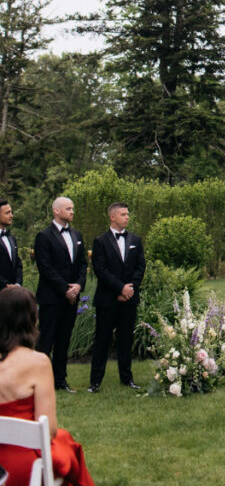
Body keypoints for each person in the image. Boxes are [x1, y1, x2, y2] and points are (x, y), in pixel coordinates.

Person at [0, 287, 95, 486]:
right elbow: (49, 429)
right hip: (22, 466)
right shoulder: (38, 363)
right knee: (67, 446)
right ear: (31, 319)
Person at [89, 201, 146, 393]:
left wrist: (131, 288)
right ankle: (95, 381)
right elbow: (101, 270)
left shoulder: (136, 241)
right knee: (102, 340)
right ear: (112, 217)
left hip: (129, 298)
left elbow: (140, 267)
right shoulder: (100, 241)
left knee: (125, 340)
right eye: (123, 214)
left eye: (128, 214)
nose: (127, 217)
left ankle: (127, 378)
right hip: (107, 298)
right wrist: (120, 288)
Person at [34, 197, 87, 392]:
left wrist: (78, 286)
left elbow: (83, 264)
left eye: (73, 208)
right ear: (56, 211)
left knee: (64, 340)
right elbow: (45, 267)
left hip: (72, 297)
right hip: (52, 297)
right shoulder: (44, 236)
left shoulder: (77, 234)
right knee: (46, 340)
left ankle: (60, 380)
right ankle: (39, 382)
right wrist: (66, 288)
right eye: (68, 208)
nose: (72, 212)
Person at [0, 198, 22, 290]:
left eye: (11, 212)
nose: (11, 216)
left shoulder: (11, 238)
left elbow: (18, 264)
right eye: (7, 213)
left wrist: (17, 284)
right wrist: (5, 285)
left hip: (12, 295)